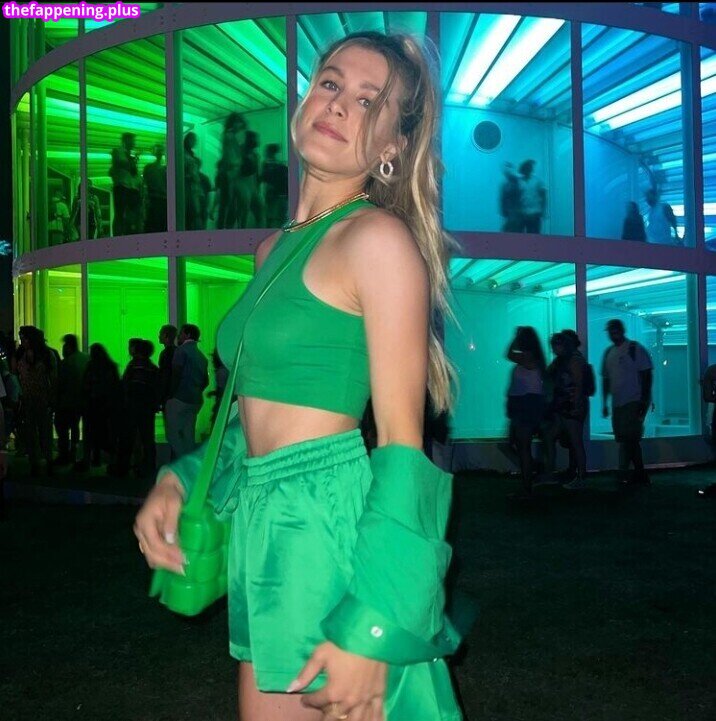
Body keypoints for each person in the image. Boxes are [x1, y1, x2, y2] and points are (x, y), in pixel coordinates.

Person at [134, 31, 464, 721]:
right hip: (265, 516)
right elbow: (249, 418)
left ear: (392, 145)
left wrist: (375, 621)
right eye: (331, 83)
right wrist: (183, 477)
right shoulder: (272, 249)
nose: (339, 103)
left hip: (323, 518)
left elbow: (404, 447)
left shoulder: (376, 240)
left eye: (369, 101)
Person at [602, 319, 653, 485]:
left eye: (615, 330)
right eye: (611, 331)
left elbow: (646, 375)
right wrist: (605, 402)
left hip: (632, 401)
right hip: (619, 403)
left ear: (621, 330)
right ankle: (639, 473)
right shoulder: (610, 352)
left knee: (627, 439)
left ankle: (623, 472)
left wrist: (643, 400)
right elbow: (606, 379)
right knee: (629, 439)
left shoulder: (634, 349)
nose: (613, 333)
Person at [541, 332, 588, 489]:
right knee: (553, 437)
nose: (554, 349)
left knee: (575, 442)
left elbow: (579, 385)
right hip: (564, 407)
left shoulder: (574, 360)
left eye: (556, 345)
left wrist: (576, 406)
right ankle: (552, 473)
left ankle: (581, 477)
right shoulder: (563, 360)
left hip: (571, 407)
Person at [506, 326, 547, 498]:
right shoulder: (537, 359)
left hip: (525, 406)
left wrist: (516, 337)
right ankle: (531, 474)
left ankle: (527, 486)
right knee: (519, 446)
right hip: (526, 405)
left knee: (522, 448)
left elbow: (508, 354)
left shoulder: (526, 357)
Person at [111, 339, 159, 477]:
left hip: (132, 408)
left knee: (127, 438)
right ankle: (149, 467)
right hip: (147, 409)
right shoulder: (152, 367)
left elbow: (127, 386)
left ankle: (123, 468)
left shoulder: (134, 366)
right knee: (147, 439)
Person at [164, 323, 209, 459]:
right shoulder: (201, 356)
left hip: (180, 398)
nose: (178, 336)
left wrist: (170, 394)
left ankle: (182, 462)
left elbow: (176, 374)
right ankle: (190, 462)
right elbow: (205, 381)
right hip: (195, 400)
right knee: (189, 434)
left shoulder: (181, 351)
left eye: (181, 333)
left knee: (173, 434)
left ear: (187, 334)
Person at [75, 343, 121, 472]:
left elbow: (85, 385)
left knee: (90, 434)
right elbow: (115, 386)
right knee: (106, 434)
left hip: (92, 405)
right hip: (106, 406)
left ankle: (89, 460)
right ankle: (111, 461)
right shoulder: (111, 366)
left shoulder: (91, 366)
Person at [54, 334, 89, 466]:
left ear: (68, 346)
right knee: (75, 428)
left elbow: (60, 385)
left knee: (62, 428)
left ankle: (64, 455)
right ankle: (74, 453)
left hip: (67, 402)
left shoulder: (66, 363)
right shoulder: (86, 358)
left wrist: (55, 401)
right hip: (82, 402)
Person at [110, 132, 142, 236]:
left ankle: (129, 233)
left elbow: (134, 173)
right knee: (120, 213)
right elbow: (121, 164)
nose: (134, 143)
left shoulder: (130, 155)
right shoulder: (117, 151)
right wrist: (133, 161)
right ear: (125, 140)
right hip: (121, 187)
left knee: (131, 214)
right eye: (132, 140)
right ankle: (118, 235)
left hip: (131, 188)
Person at [261, 143, 289, 228]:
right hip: (276, 195)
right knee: (277, 216)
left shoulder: (269, 166)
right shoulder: (272, 166)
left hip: (277, 194)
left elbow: (264, 178)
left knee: (276, 216)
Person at [517, 159, 547, 234]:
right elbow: (516, 198)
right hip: (522, 214)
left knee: (535, 236)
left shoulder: (538, 181)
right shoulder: (519, 181)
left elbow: (544, 196)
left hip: (535, 213)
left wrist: (543, 211)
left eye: (529, 168)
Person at [143, 144, 167, 233]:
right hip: (156, 199)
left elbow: (145, 183)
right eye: (158, 150)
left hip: (159, 199)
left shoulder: (150, 168)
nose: (159, 152)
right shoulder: (150, 168)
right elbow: (145, 184)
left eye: (161, 150)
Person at [499, 161, 522, 232]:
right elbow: (502, 199)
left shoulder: (518, 182)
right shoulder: (505, 185)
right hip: (509, 213)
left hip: (516, 212)